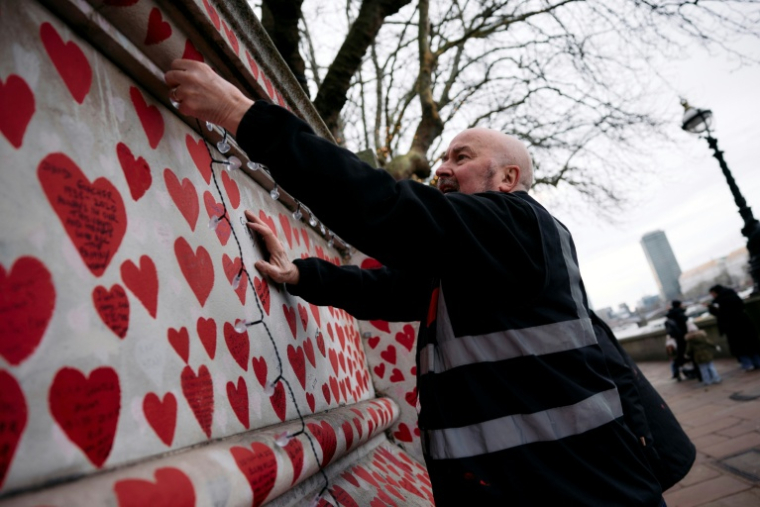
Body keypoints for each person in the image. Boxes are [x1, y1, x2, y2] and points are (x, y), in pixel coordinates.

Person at [165, 59, 694, 505]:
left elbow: (387, 210)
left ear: (508, 179)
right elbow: (395, 289)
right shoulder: (484, 262)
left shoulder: (513, 223)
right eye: (441, 156)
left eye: (461, 157)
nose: (441, 168)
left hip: (574, 490)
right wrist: (303, 273)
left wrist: (240, 115)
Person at [707, 284, 760, 371]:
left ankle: (748, 364)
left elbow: (720, 314)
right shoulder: (733, 295)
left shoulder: (719, 301)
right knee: (752, 344)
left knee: (739, 346)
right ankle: (757, 362)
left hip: (732, 327)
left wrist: (711, 307)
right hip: (745, 323)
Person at [684, 321, 722, 386]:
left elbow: (689, 349)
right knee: (711, 366)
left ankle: (707, 381)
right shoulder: (702, 336)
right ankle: (716, 378)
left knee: (703, 369)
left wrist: (686, 354)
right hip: (706, 353)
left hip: (698, 355)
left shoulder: (690, 339)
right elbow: (709, 342)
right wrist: (715, 346)